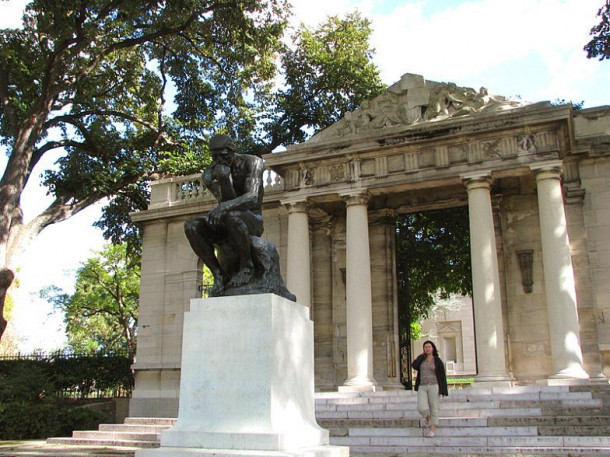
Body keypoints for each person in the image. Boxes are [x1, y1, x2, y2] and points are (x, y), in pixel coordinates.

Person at [184, 134, 265, 296]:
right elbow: (225, 200)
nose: (219, 159)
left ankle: (247, 267)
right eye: (215, 156)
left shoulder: (253, 162)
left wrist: (224, 208)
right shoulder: (212, 172)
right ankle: (219, 274)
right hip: (230, 218)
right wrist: (221, 180)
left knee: (230, 214)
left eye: (223, 154)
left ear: (232, 150)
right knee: (192, 226)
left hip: (253, 220)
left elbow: (252, 197)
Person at [412, 340, 449, 438]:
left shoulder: (437, 360)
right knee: (421, 407)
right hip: (422, 386)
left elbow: (442, 376)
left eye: (429, 347)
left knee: (434, 408)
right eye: (425, 347)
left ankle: (432, 430)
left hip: (434, 386)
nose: (427, 348)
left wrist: (444, 390)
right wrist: (421, 356)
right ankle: (428, 418)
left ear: (433, 348)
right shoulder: (422, 359)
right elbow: (414, 365)